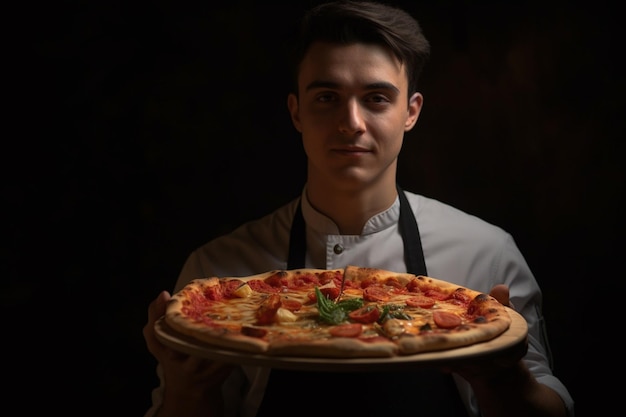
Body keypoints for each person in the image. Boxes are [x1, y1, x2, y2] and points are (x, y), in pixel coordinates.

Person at [143, 1, 574, 416]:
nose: (351, 121)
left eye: (377, 98)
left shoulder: (487, 254)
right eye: (327, 97)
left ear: (411, 111)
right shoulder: (217, 271)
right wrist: (187, 389)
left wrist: (502, 380)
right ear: (296, 111)